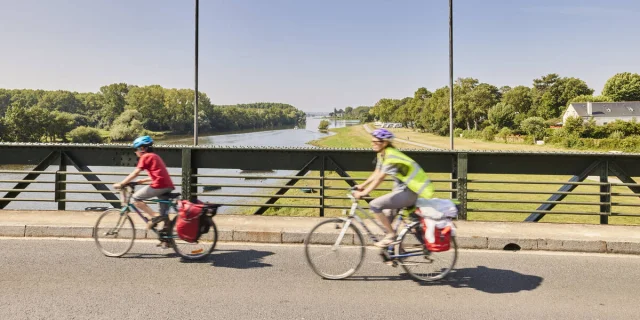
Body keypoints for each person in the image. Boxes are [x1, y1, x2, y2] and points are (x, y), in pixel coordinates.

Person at [353, 128, 434, 248]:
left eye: (376, 142)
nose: (373, 144)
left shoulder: (391, 156)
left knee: (375, 205)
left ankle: (392, 235)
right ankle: (397, 253)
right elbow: (377, 172)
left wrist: (364, 192)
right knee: (386, 220)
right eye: (372, 141)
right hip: (401, 191)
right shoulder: (382, 154)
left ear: (385, 143)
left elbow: (380, 178)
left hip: (408, 193)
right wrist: (362, 185)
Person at [113, 136, 175, 233]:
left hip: (159, 185)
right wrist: (141, 181)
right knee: (164, 215)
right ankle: (167, 238)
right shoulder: (155, 156)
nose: (135, 152)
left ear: (142, 148)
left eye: (136, 149)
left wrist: (122, 183)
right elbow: (158, 174)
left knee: (135, 198)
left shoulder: (145, 156)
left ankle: (154, 217)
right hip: (167, 186)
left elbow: (136, 173)